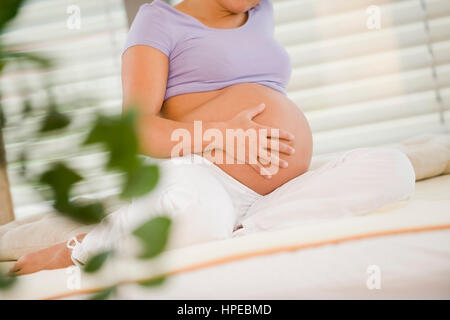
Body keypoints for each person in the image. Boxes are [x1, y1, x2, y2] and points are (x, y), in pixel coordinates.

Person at [9, 0, 415, 275]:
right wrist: (220, 134)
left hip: (276, 195)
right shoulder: (159, 20)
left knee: (394, 168)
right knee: (196, 214)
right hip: (197, 173)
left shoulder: (262, 12)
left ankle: (244, 228)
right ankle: (83, 247)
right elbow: (136, 130)